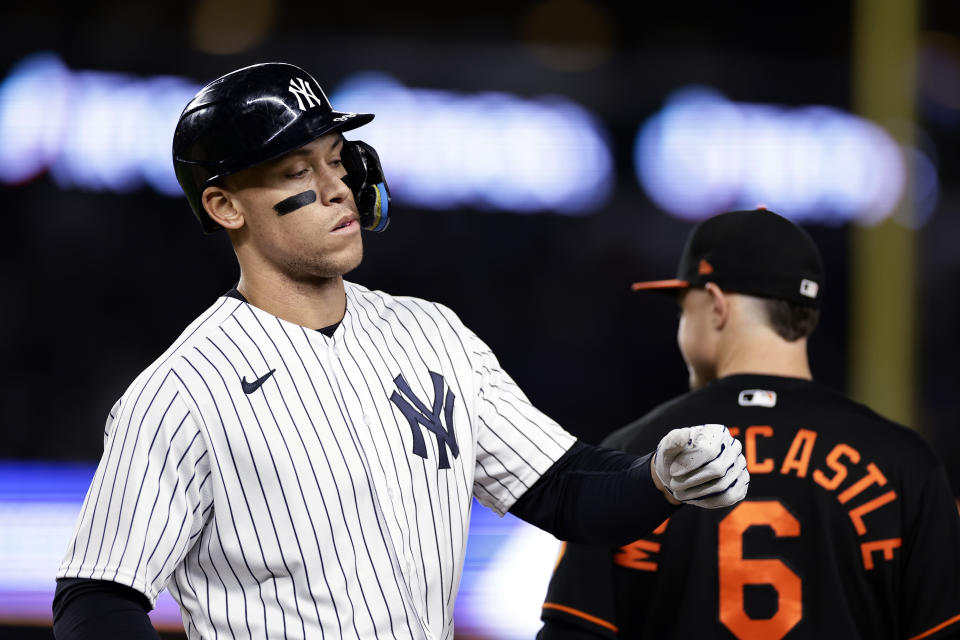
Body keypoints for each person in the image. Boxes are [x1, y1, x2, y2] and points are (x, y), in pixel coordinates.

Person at [50, 62, 749, 640]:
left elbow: (564, 489)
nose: (335, 189)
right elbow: (96, 598)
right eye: (296, 172)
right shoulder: (179, 392)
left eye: (336, 160)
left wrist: (658, 478)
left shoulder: (432, 333)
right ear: (226, 206)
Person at [538, 209, 960, 639]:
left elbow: (574, 632)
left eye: (685, 308)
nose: (682, 327)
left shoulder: (632, 458)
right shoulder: (905, 462)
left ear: (717, 305)